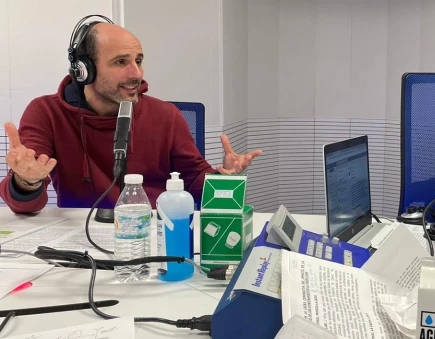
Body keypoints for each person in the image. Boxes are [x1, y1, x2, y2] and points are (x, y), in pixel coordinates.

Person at [0, 17, 261, 214]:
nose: (136, 73)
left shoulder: (165, 115)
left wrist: (224, 182)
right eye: (120, 62)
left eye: (138, 60)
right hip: (82, 239)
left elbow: (193, 178)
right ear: (84, 70)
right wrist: (27, 181)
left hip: (153, 232)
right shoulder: (46, 113)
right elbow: (24, 205)